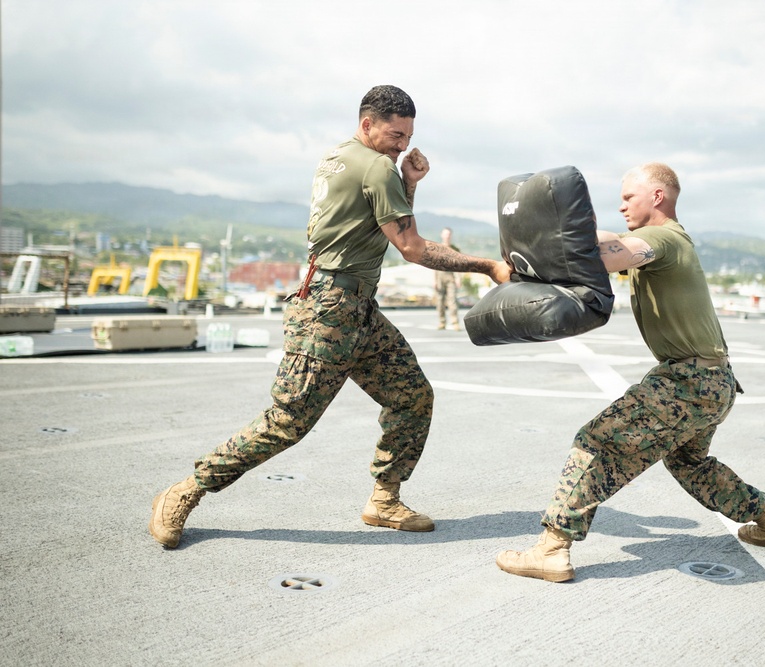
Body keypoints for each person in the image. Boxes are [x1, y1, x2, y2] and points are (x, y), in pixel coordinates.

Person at [149, 85, 510, 549]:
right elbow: (412, 247)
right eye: (396, 134)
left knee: (412, 396)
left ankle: (384, 498)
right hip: (329, 311)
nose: (403, 145)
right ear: (368, 124)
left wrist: (410, 183)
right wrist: (488, 266)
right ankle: (186, 490)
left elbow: (386, 228)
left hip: (356, 308)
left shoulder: (341, 157)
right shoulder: (376, 167)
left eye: (409, 136)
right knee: (288, 421)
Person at [496, 162, 765, 582]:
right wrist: (544, 234)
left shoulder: (660, 239)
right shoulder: (668, 239)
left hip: (687, 382)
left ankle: (552, 548)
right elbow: (604, 239)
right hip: (716, 382)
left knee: (596, 441)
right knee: (689, 462)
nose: (621, 205)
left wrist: (540, 260)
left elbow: (610, 255)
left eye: (628, 197)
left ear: (657, 197)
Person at [434, 227, 461, 330]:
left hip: (451, 276)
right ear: (442, 235)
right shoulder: (437, 248)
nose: (447, 236)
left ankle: (455, 322)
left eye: (449, 234)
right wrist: (435, 280)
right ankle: (442, 322)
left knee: (452, 300)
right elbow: (433, 265)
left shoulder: (455, 249)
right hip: (440, 275)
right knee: (440, 301)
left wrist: (458, 278)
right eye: (445, 234)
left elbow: (459, 265)